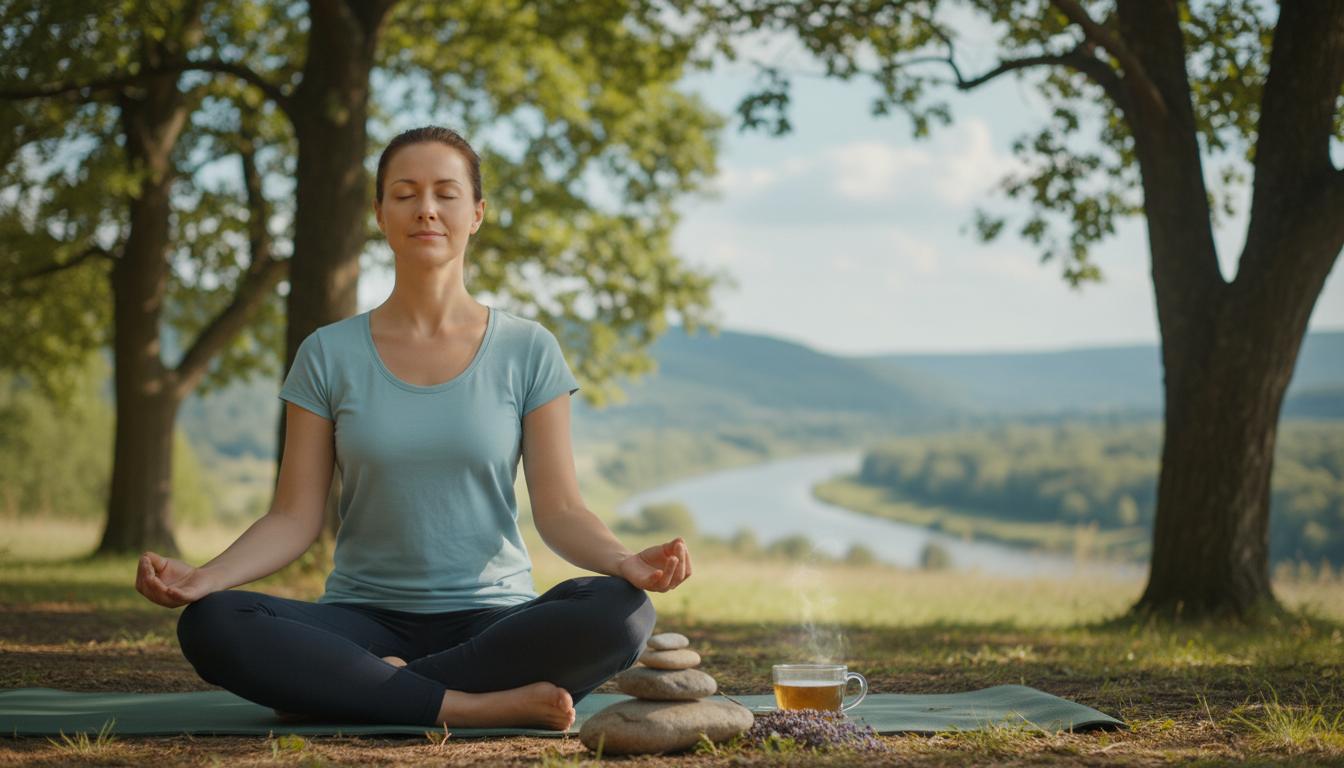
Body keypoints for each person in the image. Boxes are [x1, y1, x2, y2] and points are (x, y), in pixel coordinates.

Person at [133, 126, 692, 730]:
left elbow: (559, 511)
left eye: (445, 193)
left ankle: (353, 687)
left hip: (492, 620)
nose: (426, 208)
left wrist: (624, 562)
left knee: (622, 612)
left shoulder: (528, 349)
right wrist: (207, 577)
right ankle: (471, 705)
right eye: (405, 193)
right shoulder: (327, 353)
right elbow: (293, 517)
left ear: (476, 213)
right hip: (361, 619)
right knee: (213, 624)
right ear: (379, 214)